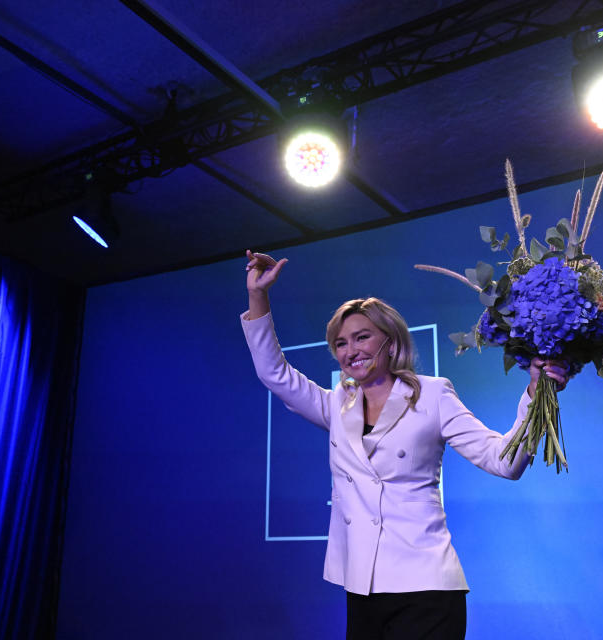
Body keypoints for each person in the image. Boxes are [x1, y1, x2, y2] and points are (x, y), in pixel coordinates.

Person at [241, 250, 569, 640]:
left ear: (390, 341)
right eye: (341, 343)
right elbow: (274, 374)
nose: (351, 351)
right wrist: (258, 296)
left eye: (362, 337)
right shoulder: (335, 404)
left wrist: (536, 390)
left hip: (426, 585)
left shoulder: (432, 394)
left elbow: (504, 461)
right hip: (362, 586)